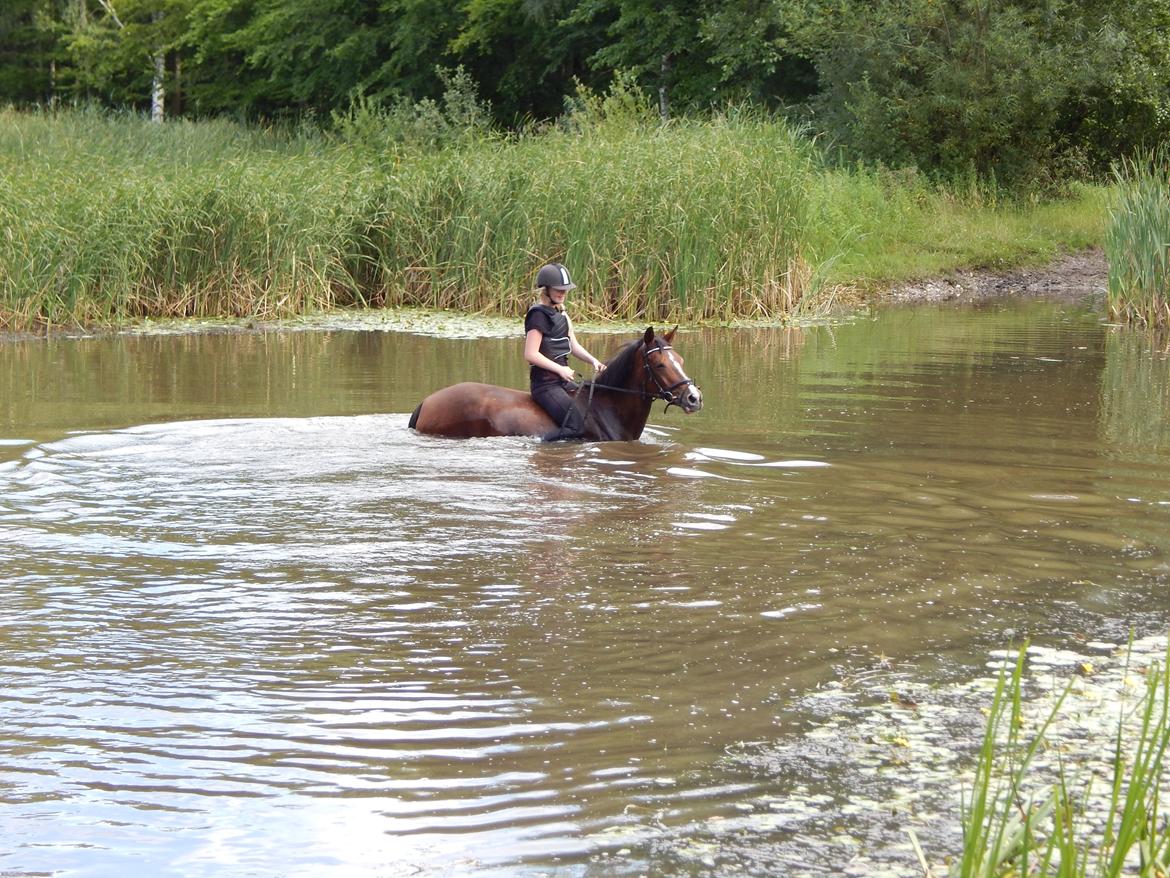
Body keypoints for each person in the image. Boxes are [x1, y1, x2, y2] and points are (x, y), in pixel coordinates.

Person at [524, 262, 606, 441]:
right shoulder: (538, 315)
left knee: (590, 409)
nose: (562, 293)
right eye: (558, 289)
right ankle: (541, 446)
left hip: (563, 383)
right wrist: (560, 369)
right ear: (546, 289)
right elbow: (530, 354)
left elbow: (574, 346)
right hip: (545, 385)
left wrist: (594, 361)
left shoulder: (562, 315)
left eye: (565, 290)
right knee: (576, 426)